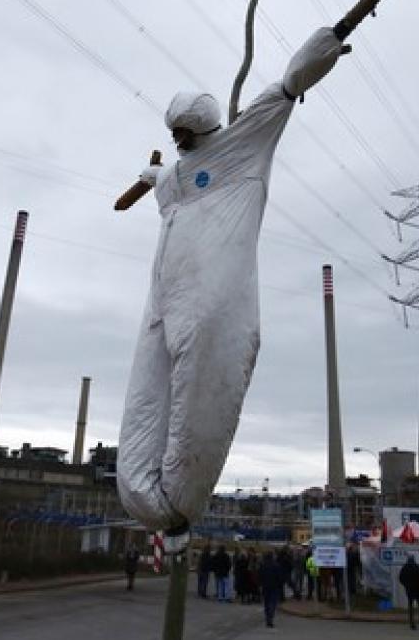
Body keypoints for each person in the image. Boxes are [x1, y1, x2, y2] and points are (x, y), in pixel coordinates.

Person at [116, 28, 348, 537]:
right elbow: (163, 179)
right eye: (175, 135)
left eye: (185, 134)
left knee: (203, 384)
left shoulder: (241, 145)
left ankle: (180, 505)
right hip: (163, 297)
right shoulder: (177, 174)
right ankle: (143, 496)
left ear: (204, 130)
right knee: (146, 395)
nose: (180, 142)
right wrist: (149, 177)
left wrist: (327, 46)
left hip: (211, 296)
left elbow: (284, 90)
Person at [398, 555, 419, 630]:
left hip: (409, 590)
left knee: (410, 607)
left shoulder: (404, 568)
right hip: (418, 590)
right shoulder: (416, 567)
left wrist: (406, 585)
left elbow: (400, 578)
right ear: (414, 560)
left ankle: (412, 624)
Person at [259, 551, 285, 628]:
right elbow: (280, 577)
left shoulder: (263, 565)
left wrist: (260, 584)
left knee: (266, 603)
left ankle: (268, 618)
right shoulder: (276, 565)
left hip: (265, 586)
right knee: (273, 603)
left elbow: (260, 576)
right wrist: (280, 584)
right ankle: (270, 617)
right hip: (274, 587)